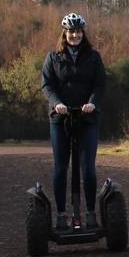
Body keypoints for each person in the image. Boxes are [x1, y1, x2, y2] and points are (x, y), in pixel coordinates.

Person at [41, 13, 106, 231]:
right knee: (61, 168)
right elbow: (47, 86)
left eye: (78, 31)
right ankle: (61, 215)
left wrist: (92, 103)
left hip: (87, 118)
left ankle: (89, 213)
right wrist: (56, 103)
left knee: (88, 168)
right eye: (71, 31)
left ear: (83, 33)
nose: (75, 35)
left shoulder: (93, 57)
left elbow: (100, 85)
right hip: (61, 118)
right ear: (65, 33)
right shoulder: (53, 57)